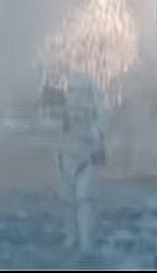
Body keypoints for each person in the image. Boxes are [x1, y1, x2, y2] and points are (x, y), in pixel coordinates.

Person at [50, 72, 106, 253]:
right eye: (71, 90)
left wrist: (96, 139)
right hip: (65, 159)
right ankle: (72, 237)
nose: (73, 95)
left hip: (84, 161)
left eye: (77, 91)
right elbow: (55, 132)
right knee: (67, 201)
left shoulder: (96, 110)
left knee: (84, 202)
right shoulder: (63, 108)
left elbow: (100, 134)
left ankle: (85, 241)